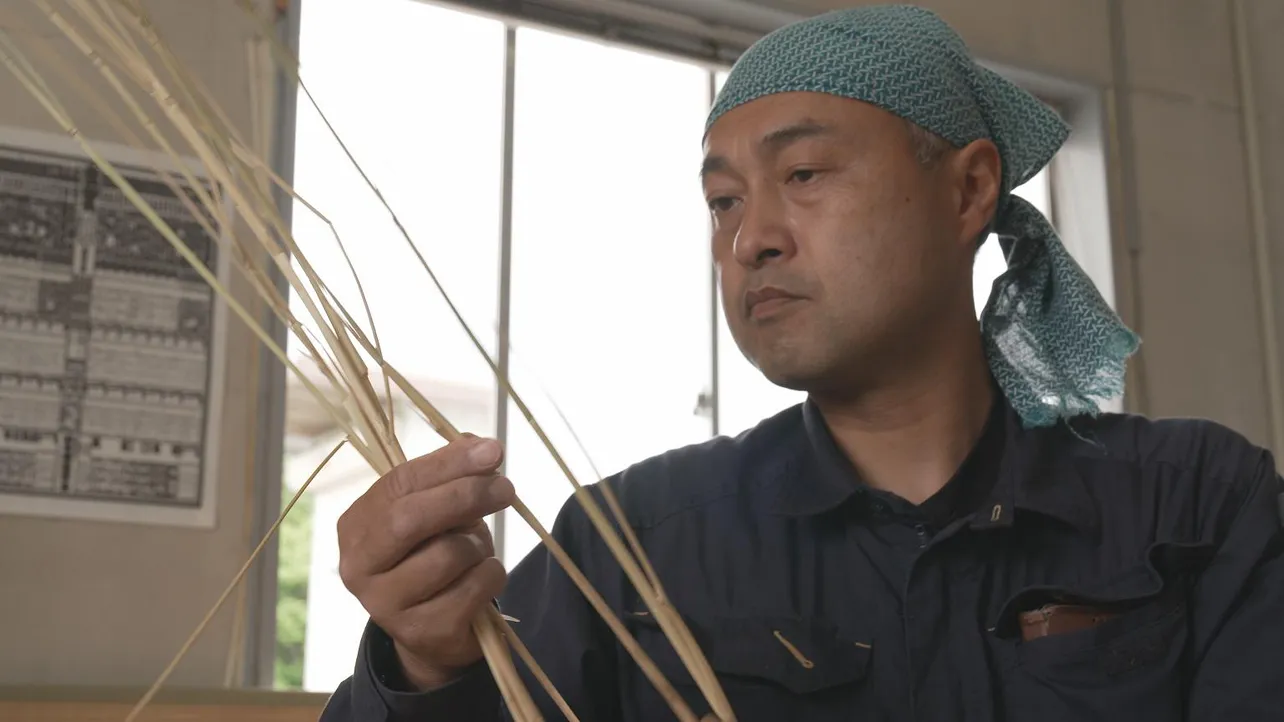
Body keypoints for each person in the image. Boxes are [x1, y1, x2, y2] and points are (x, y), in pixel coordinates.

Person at [320, 5, 1284, 721]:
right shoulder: (633, 542)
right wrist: (426, 666)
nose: (751, 241)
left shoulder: (1195, 505)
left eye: (804, 174)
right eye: (724, 202)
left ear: (969, 190)